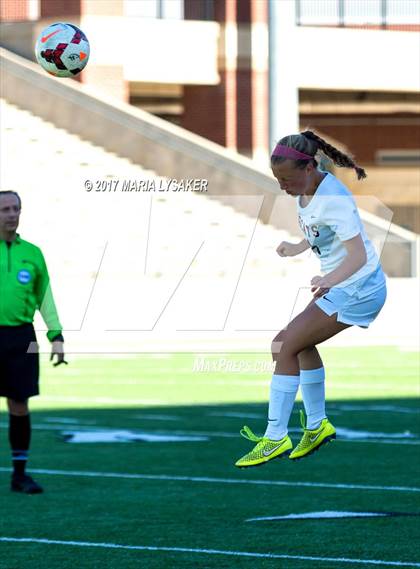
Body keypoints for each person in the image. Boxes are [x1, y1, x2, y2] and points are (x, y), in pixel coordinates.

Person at [235, 131, 387, 468]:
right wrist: (298, 247)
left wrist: (329, 279)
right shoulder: (308, 186)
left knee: (283, 345)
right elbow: (322, 230)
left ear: (308, 167)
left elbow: (359, 254)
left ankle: (275, 437)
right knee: (299, 346)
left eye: (287, 178)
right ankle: (317, 426)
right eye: (278, 179)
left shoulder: (332, 197)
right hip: (344, 285)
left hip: (359, 287)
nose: (282, 186)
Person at [0, 191, 67, 493]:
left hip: (21, 337)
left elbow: (45, 298)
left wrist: (56, 335)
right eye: (5, 209)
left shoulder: (33, 253)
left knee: (19, 405)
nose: (11, 214)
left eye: (16, 209)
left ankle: (19, 474)